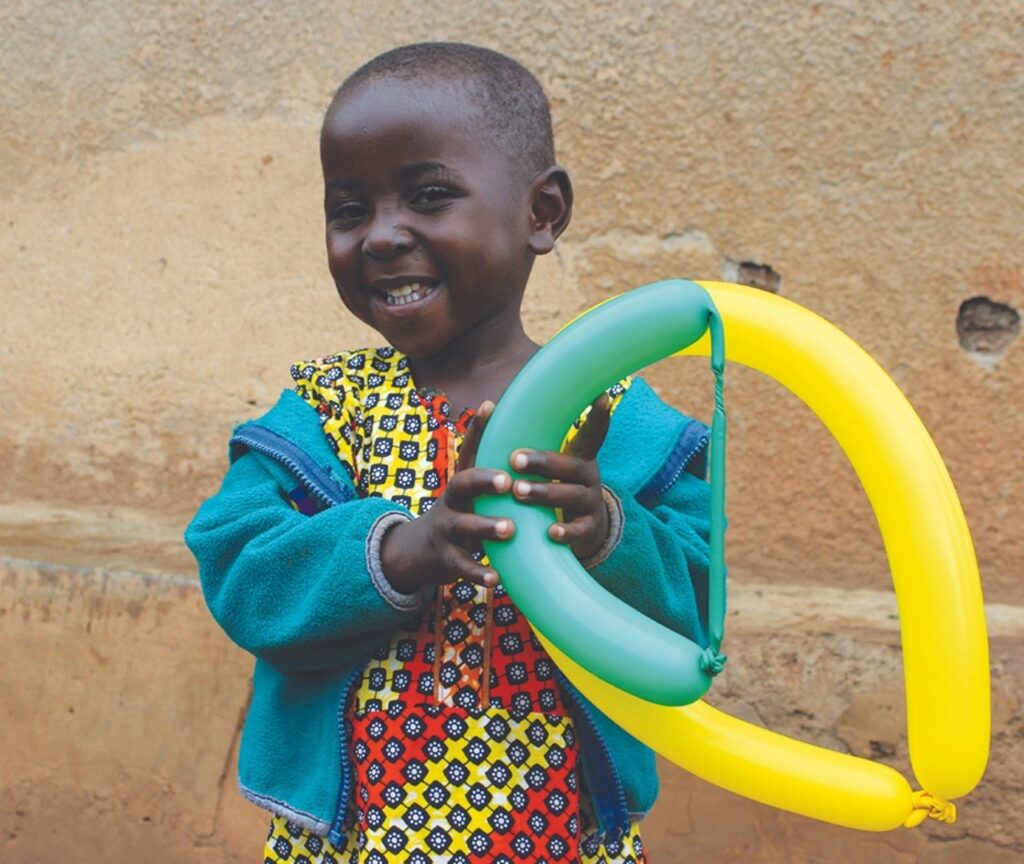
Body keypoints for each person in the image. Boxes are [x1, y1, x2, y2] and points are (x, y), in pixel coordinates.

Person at [186, 42, 713, 864]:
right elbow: (241, 570)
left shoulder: (623, 425)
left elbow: (700, 607)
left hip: (563, 837)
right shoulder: (325, 414)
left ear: (542, 213)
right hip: (350, 840)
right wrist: (405, 547)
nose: (383, 236)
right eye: (348, 208)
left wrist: (608, 529)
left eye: (430, 196)